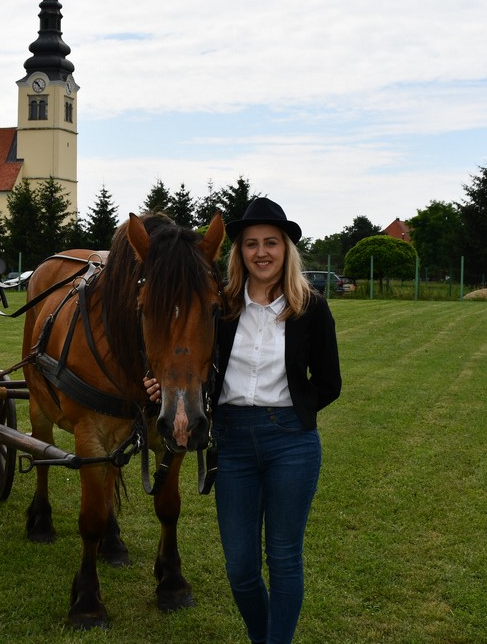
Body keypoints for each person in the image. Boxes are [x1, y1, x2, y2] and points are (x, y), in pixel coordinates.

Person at [146, 196, 341, 643]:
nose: (261, 252)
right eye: (251, 244)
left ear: (286, 250)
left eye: (271, 243)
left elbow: (329, 382)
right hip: (233, 443)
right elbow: (188, 356)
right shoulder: (223, 307)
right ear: (239, 253)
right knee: (240, 567)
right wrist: (167, 391)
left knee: (285, 558)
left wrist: (297, 409)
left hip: (292, 442)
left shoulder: (310, 307)